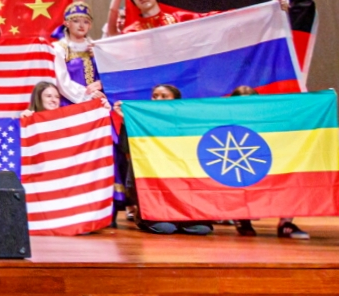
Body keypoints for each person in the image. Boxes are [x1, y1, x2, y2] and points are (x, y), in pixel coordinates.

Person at [124, 83, 211, 236]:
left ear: (175, 100)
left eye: (164, 96)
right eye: (155, 96)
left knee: (200, 229)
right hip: (154, 193)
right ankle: (143, 217)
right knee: (166, 228)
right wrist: (126, 121)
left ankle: (181, 216)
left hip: (182, 191)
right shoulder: (139, 123)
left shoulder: (187, 123)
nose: (158, 100)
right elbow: (127, 154)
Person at [223, 86, 309, 240]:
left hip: (269, 162)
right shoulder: (225, 122)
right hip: (240, 166)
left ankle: (285, 224)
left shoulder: (270, 119)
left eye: (251, 103)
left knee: (292, 175)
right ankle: (242, 218)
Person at [52, 4, 105, 103]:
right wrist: (87, 94)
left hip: (99, 98)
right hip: (71, 102)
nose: (81, 25)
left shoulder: (95, 46)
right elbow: (62, 81)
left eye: (86, 22)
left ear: (90, 25)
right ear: (67, 23)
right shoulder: (60, 48)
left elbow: (110, 72)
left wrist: (102, 83)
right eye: (76, 21)